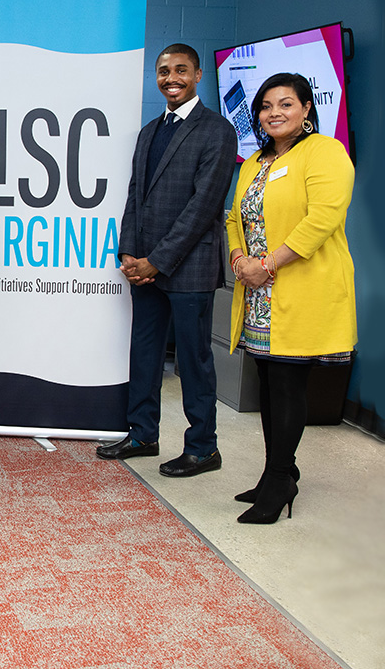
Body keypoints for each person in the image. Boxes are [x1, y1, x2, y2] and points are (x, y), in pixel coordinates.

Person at [97, 43, 237, 477]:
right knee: (144, 353)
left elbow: (202, 209)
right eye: (163, 71)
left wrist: (155, 260)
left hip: (188, 267)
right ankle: (143, 433)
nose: (170, 78)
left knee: (193, 359)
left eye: (180, 70)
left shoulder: (216, 130)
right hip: (144, 267)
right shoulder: (150, 131)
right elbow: (135, 196)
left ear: (197, 75)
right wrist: (127, 252)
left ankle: (202, 447)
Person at [227, 72, 355, 524]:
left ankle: (281, 480)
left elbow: (322, 218)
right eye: (265, 106)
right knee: (267, 383)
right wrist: (240, 257)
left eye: (285, 104)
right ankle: (275, 472)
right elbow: (234, 218)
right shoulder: (253, 162)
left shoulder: (325, 152)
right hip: (259, 295)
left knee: (287, 385)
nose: (273, 113)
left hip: (299, 287)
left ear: (306, 109)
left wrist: (269, 264)